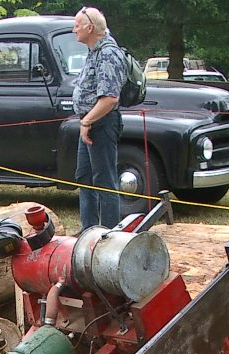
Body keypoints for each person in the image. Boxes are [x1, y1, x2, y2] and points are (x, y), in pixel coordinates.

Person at [72, 7, 126, 230]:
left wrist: (87, 121)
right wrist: (85, 122)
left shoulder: (107, 53)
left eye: (77, 25)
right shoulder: (94, 51)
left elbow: (110, 98)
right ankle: (89, 233)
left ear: (90, 27)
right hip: (90, 123)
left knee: (105, 182)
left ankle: (110, 237)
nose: (74, 29)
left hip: (101, 123)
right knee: (84, 178)